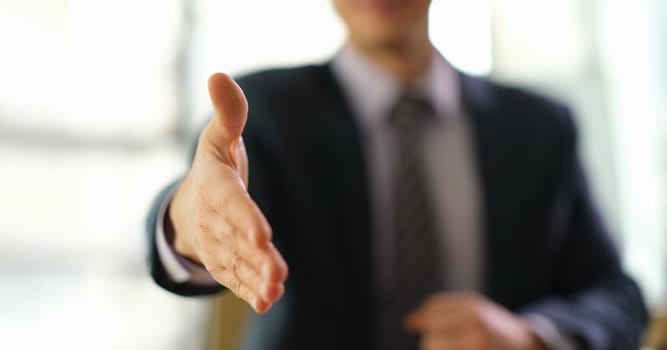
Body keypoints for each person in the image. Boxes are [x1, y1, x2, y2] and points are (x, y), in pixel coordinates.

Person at [146, 1, 647, 349]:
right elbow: (210, 201)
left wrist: (530, 336)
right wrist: (186, 225)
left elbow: (616, 294)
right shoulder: (263, 114)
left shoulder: (539, 127)